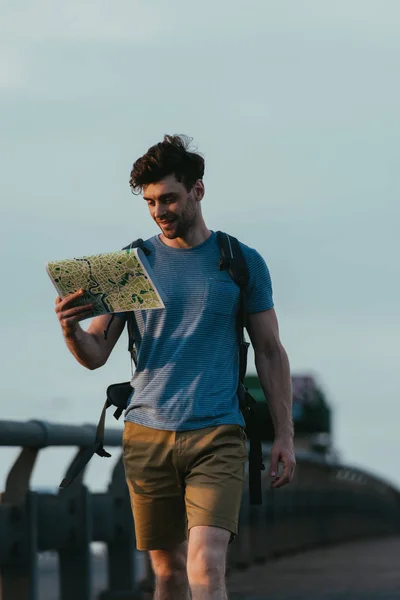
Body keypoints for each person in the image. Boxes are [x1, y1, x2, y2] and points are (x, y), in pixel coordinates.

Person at [54, 135, 296, 600]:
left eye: (169, 198)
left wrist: (283, 432)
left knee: (205, 567)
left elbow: (270, 351)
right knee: (167, 576)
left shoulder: (241, 262)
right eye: (149, 202)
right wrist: (70, 331)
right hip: (147, 434)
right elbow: (95, 355)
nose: (159, 210)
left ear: (197, 192)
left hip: (218, 433)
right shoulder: (131, 265)